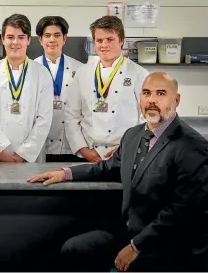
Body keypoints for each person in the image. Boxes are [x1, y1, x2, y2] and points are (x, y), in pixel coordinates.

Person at [27, 72, 208, 271]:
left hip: (166, 243)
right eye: (146, 93)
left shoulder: (193, 146)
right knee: (72, 249)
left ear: (177, 99)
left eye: (161, 93)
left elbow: (182, 211)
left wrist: (136, 246)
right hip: (129, 231)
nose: (152, 100)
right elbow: (108, 167)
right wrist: (65, 173)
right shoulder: (133, 135)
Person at [64, 15, 149, 162]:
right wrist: (84, 150)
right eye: (99, 40)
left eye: (110, 39)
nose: (104, 45)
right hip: (88, 154)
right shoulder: (82, 74)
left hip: (125, 155)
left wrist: (126, 148)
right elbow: (71, 115)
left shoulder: (139, 74)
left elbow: (146, 118)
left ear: (121, 40)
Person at [0, 13, 53, 163]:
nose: (15, 42)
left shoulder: (42, 73)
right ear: (2, 39)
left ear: (28, 40)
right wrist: (0, 149)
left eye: (21, 37)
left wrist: (24, 153)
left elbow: (44, 119)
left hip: (30, 157)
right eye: (10, 37)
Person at [34, 16, 83, 162]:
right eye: (47, 35)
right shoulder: (31, 69)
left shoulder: (80, 68)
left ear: (64, 38)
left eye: (57, 35)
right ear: (40, 39)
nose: (52, 40)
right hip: (38, 145)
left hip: (71, 144)